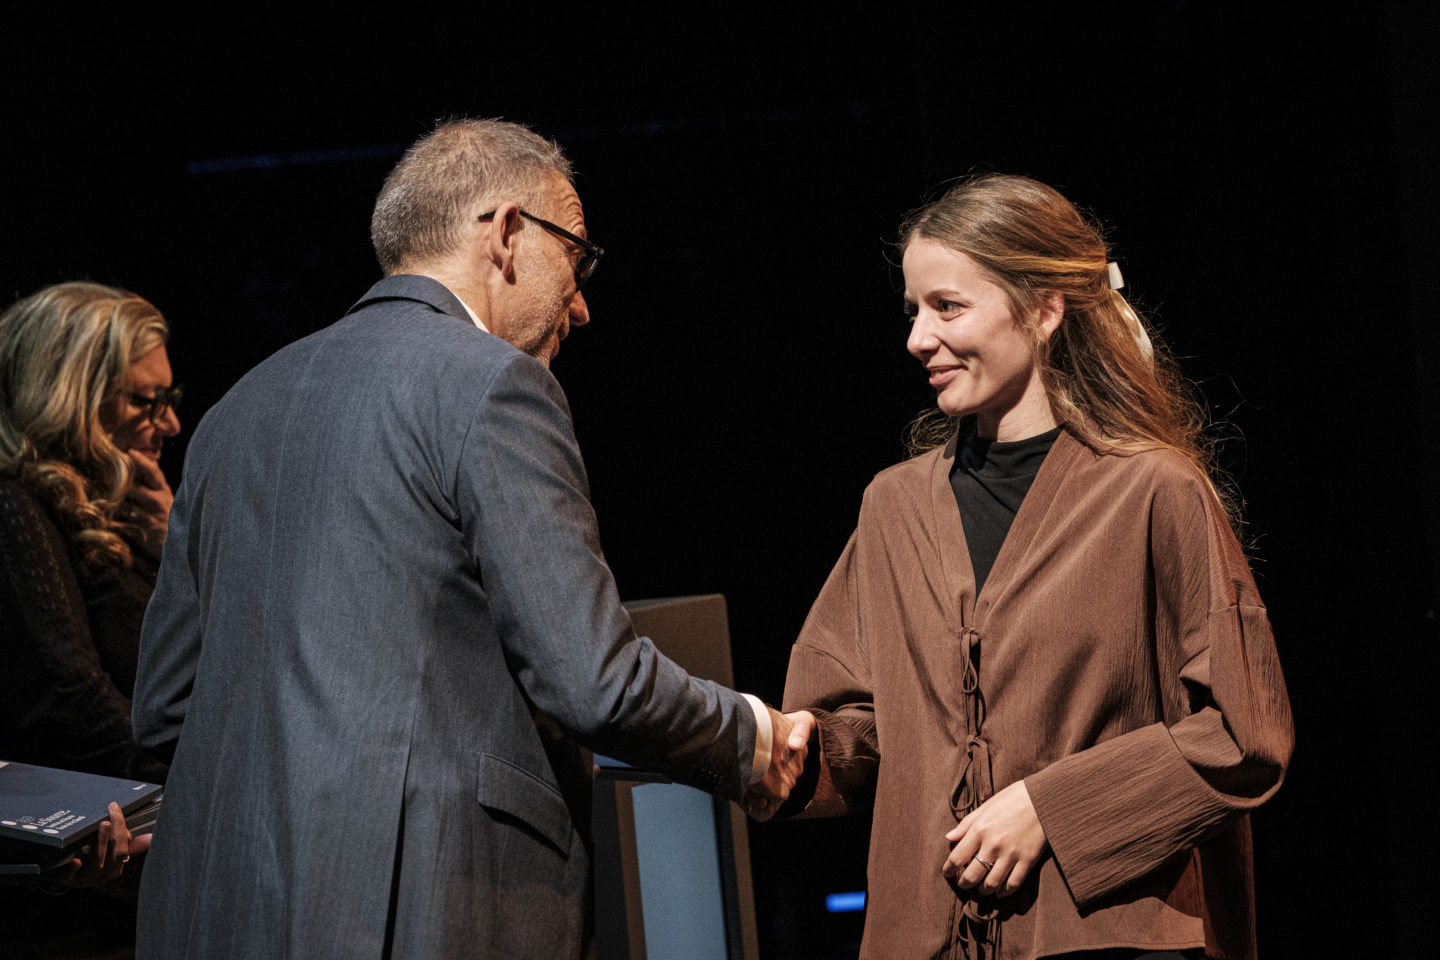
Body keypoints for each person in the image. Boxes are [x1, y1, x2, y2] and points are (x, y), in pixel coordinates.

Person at [131, 119, 810, 960]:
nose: (583, 304)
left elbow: (164, 712)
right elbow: (592, 682)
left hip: (213, 908)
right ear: (508, 232)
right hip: (426, 904)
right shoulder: (494, 384)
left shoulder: (235, 410)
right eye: (578, 260)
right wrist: (751, 738)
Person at [779, 175, 1293, 959]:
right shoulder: (894, 508)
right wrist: (769, 749)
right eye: (914, 311)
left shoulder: (1153, 492)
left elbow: (1244, 734)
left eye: (948, 307)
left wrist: (1053, 808)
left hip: (1107, 935)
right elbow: (866, 731)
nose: (918, 338)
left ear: (1044, 310)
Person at [0, 281, 179, 955]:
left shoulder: (123, 519)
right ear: (70, 395)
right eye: (144, 400)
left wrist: (173, 542)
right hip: (68, 907)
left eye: (170, 398)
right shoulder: (15, 508)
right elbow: (69, 697)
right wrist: (201, 794)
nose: (169, 423)